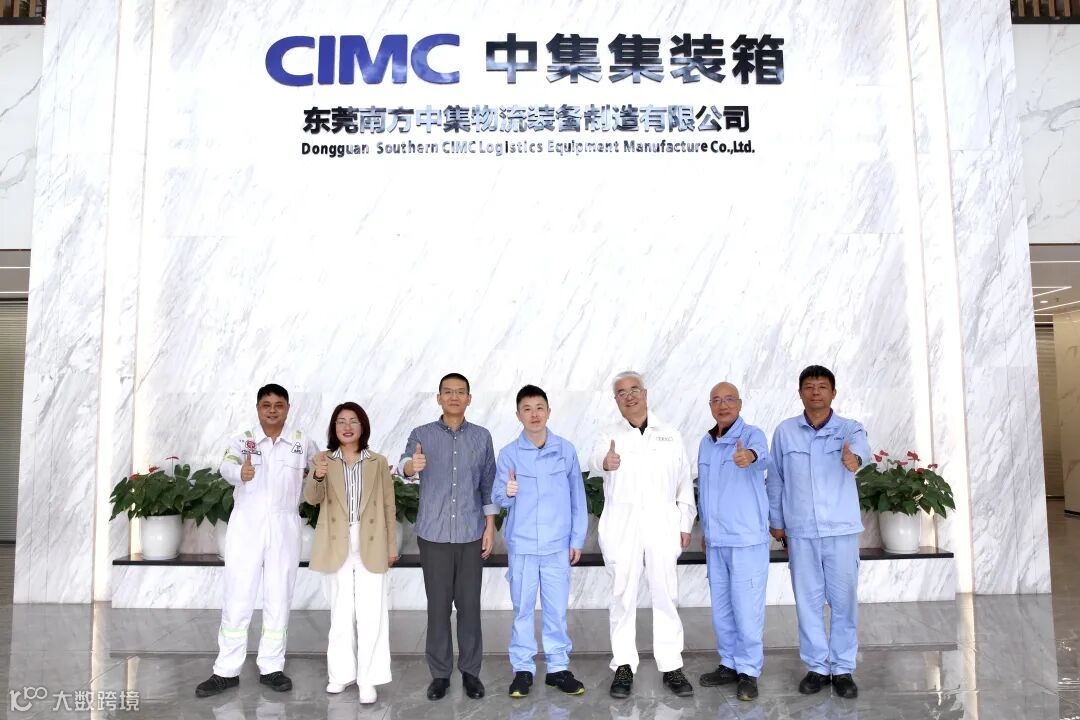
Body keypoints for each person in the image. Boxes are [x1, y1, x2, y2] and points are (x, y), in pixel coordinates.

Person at [196, 384, 319, 698]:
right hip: (247, 524)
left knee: (279, 595)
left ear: (288, 408)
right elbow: (226, 465)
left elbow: (319, 470)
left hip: (285, 524)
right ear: (258, 408)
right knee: (238, 595)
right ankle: (226, 670)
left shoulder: (302, 442)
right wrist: (241, 472)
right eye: (267, 405)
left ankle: (272, 667)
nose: (273, 410)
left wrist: (320, 473)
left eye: (279, 405)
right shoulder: (243, 440)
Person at [589, 371, 696, 699]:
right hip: (622, 526)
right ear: (616, 400)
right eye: (621, 392)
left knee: (666, 593)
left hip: (663, 524)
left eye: (634, 389)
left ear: (645, 393)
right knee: (622, 595)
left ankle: (671, 664)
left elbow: (684, 482)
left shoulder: (670, 434)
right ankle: (623, 664)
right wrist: (606, 462)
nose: (629, 396)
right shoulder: (609, 434)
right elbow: (595, 461)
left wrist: (684, 524)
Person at [768, 365, 871, 699]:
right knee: (808, 602)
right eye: (809, 387)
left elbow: (861, 450)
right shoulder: (785, 432)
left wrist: (854, 460)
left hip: (840, 531)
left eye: (822, 386)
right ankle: (816, 667)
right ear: (800, 393)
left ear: (833, 393)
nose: (816, 392)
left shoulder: (849, 428)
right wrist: (776, 520)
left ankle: (842, 669)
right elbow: (776, 478)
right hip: (801, 532)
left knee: (844, 603)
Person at [400, 372, 497, 701]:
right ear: (438, 398)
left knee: (469, 607)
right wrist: (412, 466)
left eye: (460, 392)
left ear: (469, 398)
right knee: (438, 608)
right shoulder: (421, 434)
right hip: (434, 535)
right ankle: (440, 674)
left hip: (471, 533)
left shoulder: (482, 437)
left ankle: (471, 672)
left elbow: (488, 484)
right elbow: (405, 465)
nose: (454, 397)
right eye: (448, 392)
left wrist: (490, 526)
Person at [492, 385, 588, 699]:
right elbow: (497, 499)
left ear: (548, 412)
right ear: (518, 415)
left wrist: (577, 539)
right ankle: (523, 669)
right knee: (522, 610)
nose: (534, 414)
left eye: (539, 408)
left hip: (557, 546)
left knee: (555, 610)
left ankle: (558, 668)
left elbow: (577, 498)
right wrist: (507, 492)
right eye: (527, 409)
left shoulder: (565, 450)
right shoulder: (509, 454)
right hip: (522, 547)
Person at [304, 402, 397, 703]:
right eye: (341, 421)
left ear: (362, 426)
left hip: (372, 541)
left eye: (353, 421)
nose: (347, 426)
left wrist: (391, 546)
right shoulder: (323, 460)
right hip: (335, 541)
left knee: (371, 615)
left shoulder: (378, 462)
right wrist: (317, 475)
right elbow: (311, 498)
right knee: (341, 613)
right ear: (334, 428)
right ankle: (341, 675)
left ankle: (368, 679)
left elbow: (389, 506)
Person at [696, 382, 770, 701]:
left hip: (746, 540)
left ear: (739, 404)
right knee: (722, 609)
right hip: (716, 541)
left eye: (729, 399)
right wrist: (706, 531)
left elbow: (762, 456)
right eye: (716, 400)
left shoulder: (752, 435)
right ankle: (728, 663)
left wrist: (748, 457)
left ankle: (749, 671)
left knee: (747, 609)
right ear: (710, 406)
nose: (723, 405)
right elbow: (705, 491)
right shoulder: (706, 443)